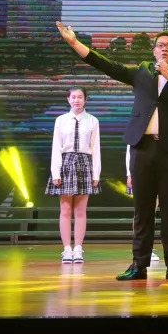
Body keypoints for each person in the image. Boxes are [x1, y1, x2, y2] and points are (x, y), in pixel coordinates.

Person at [56, 21, 168, 281]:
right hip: (142, 148)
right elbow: (106, 65)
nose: (164, 49)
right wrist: (74, 43)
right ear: (154, 50)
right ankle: (139, 265)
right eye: (160, 45)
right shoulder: (142, 72)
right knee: (142, 210)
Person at [45, 87, 101, 264]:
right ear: (68, 99)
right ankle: (66, 249)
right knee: (65, 210)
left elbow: (96, 148)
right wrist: (56, 171)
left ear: (85, 99)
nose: (77, 100)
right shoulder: (61, 120)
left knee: (80, 211)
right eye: (74, 97)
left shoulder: (92, 121)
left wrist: (96, 173)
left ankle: (78, 248)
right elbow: (56, 146)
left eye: (80, 97)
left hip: (85, 163)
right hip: (66, 164)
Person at [125, 145, 160, 265]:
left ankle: (148, 250)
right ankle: (141, 250)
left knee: (152, 212)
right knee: (141, 213)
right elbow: (130, 148)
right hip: (140, 170)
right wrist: (129, 173)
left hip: (158, 170)